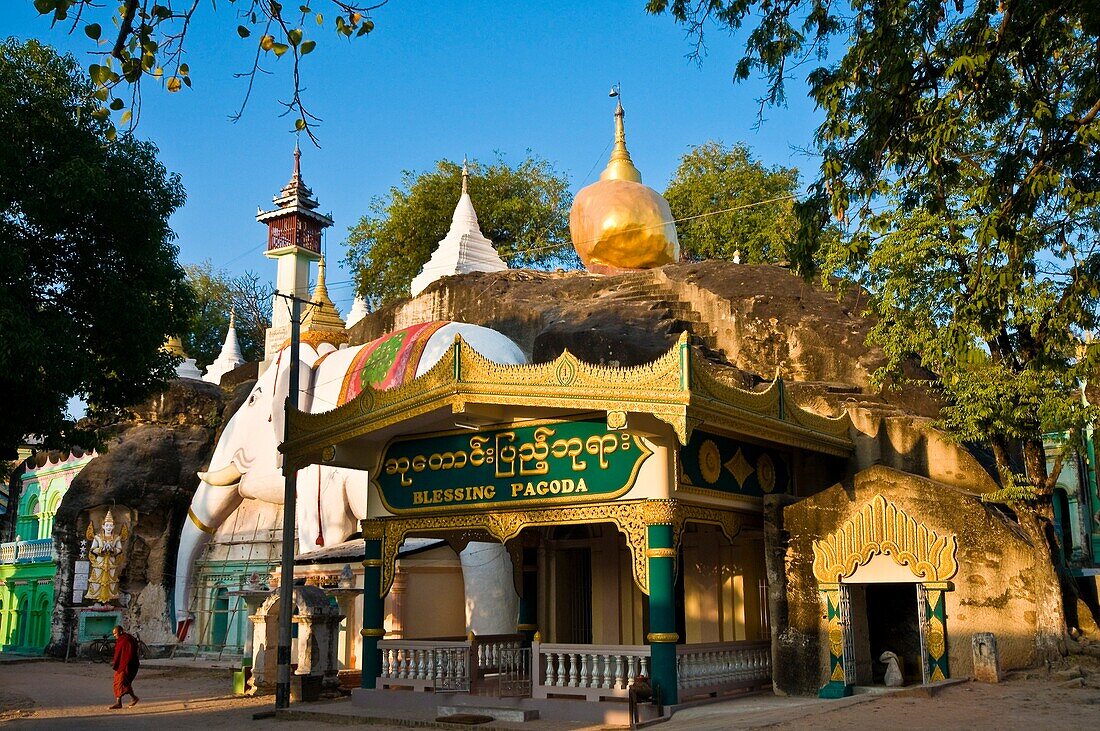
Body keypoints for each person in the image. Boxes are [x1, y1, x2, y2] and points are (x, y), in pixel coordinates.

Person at [109, 625, 140, 709]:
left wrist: (122, 664)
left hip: (128, 664)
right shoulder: (122, 640)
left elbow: (128, 654)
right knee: (121, 682)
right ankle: (133, 698)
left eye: (115, 633)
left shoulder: (126, 640)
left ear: (121, 632)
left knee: (121, 681)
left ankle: (119, 703)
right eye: (113, 634)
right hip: (124, 664)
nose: (114, 635)